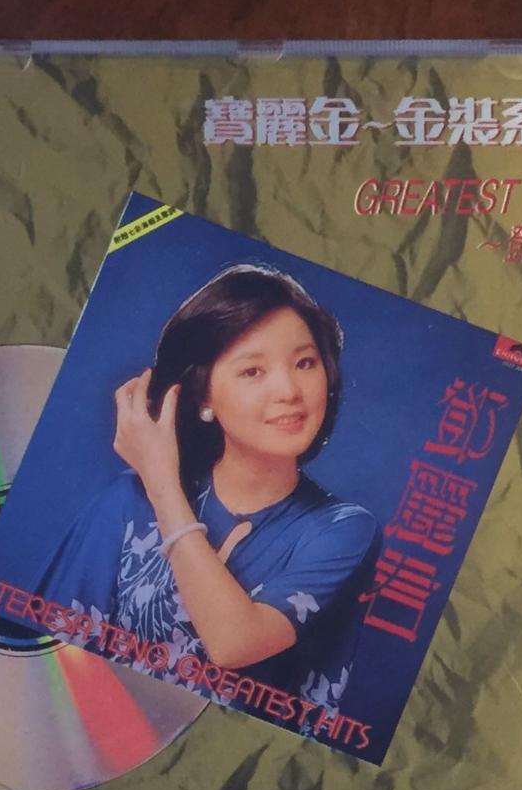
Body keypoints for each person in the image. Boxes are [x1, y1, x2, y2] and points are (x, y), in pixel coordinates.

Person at [38, 264, 380, 718]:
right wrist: (158, 482)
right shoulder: (127, 503)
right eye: (253, 371)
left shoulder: (342, 529)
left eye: (305, 363)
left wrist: (162, 484)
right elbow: (45, 663)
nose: (289, 390)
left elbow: (233, 644)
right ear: (202, 397)